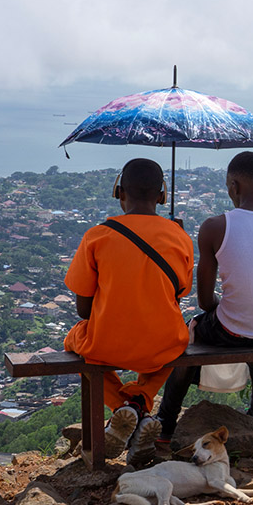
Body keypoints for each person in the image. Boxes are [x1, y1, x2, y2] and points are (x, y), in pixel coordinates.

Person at [155, 151, 253, 445]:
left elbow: (205, 302)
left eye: (228, 187)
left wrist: (228, 308)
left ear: (233, 186)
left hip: (230, 331)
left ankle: (164, 427)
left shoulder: (215, 226)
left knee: (188, 340)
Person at [63, 158, 192, 463]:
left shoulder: (97, 236)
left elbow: (84, 310)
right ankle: (140, 401)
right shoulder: (180, 237)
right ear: (162, 195)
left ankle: (125, 406)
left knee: (72, 340)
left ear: (119, 192)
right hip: (162, 344)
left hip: (107, 345)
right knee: (179, 344)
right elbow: (181, 292)